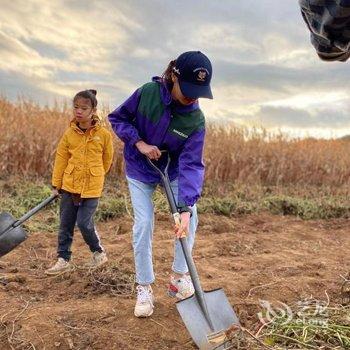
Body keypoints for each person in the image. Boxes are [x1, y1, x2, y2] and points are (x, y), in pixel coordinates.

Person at [108, 51, 213, 317]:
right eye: (188, 89)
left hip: (173, 169)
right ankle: (144, 286)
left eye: (197, 91)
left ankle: (179, 278)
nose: (192, 97)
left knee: (190, 218)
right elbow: (118, 118)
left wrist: (186, 207)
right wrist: (139, 143)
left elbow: (191, 164)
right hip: (140, 168)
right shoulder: (147, 93)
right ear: (174, 76)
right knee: (144, 224)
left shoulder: (195, 119)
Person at [45, 89, 114, 275]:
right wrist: (56, 185)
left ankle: (98, 253)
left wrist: (96, 175)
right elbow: (61, 159)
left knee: (84, 223)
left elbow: (107, 160)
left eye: (84, 108)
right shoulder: (69, 133)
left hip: (92, 188)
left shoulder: (104, 135)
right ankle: (63, 259)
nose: (79, 111)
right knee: (65, 224)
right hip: (69, 185)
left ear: (93, 110)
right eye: (76, 107)